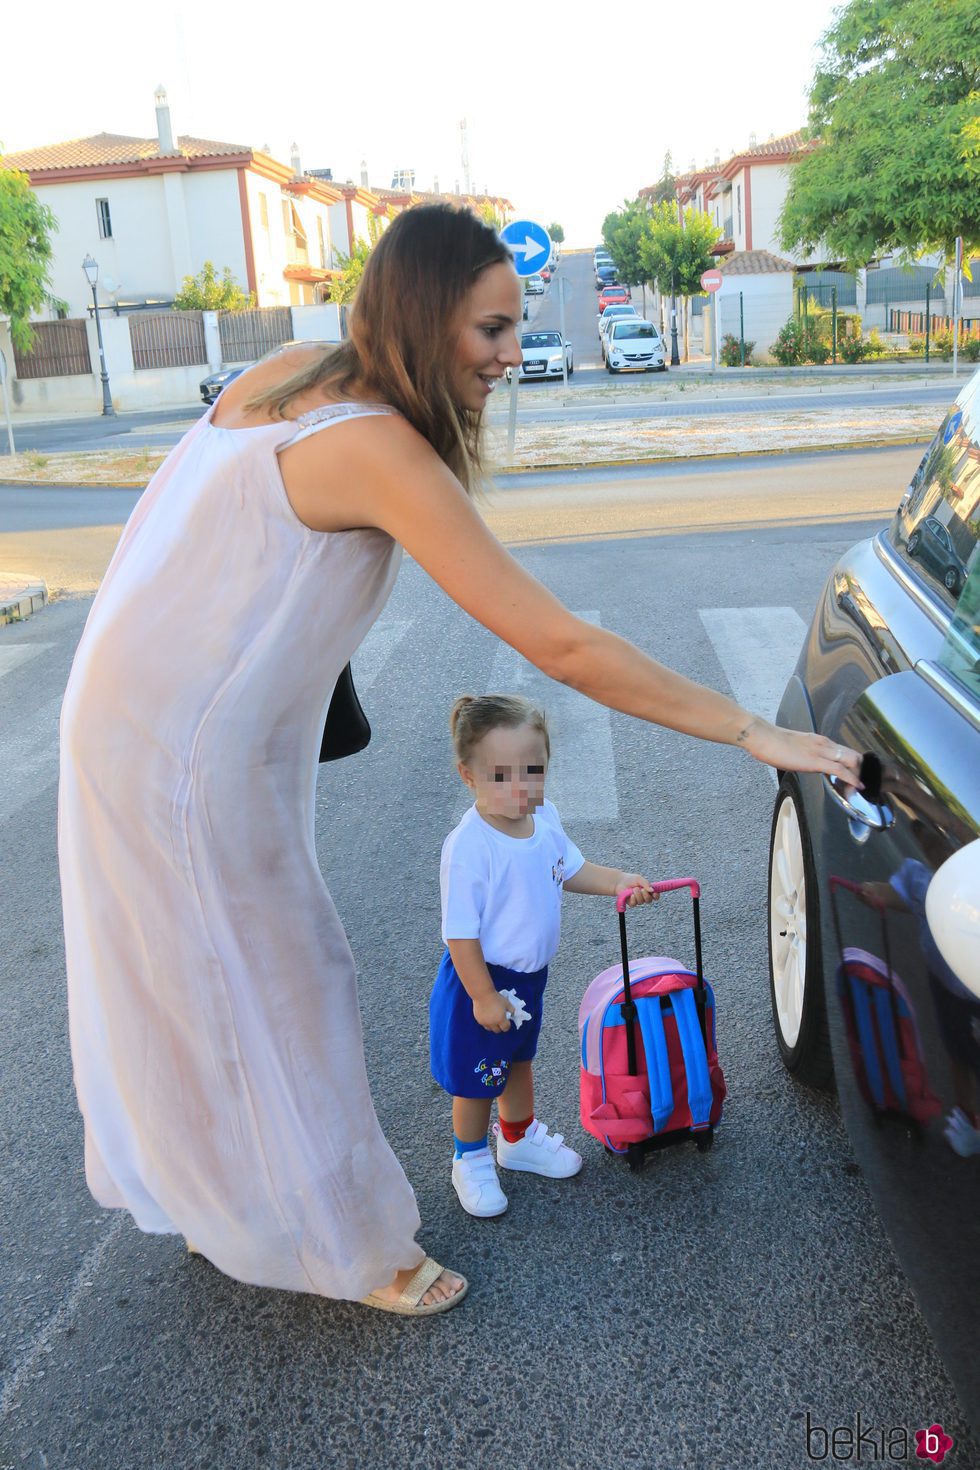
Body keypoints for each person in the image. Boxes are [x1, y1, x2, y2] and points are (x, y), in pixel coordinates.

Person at [58, 203, 861, 1319]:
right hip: (190, 747)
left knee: (195, 982)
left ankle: (228, 1210)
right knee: (285, 978)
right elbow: (561, 644)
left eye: (513, 327)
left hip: (141, 714)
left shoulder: (293, 375)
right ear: (424, 314)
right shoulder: (378, 445)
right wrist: (747, 730)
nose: (508, 354)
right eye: (488, 328)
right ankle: (357, 1253)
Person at [431, 694, 656, 1217]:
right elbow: (459, 934)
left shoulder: (544, 817)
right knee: (477, 1077)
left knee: (517, 1061)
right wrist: (483, 997)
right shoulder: (470, 846)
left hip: (529, 979)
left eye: (533, 770)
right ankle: (471, 1157)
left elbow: (570, 869)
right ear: (469, 776)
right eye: (501, 775)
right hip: (481, 982)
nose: (521, 787)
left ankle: (516, 1138)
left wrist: (618, 881)